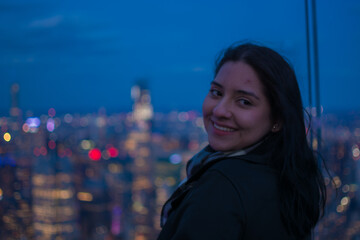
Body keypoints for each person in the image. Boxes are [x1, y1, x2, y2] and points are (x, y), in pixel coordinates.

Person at [157, 42, 326, 240]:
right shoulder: (285, 175)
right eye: (216, 92)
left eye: (244, 102)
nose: (219, 110)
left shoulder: (222, 187)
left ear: (277, 120)